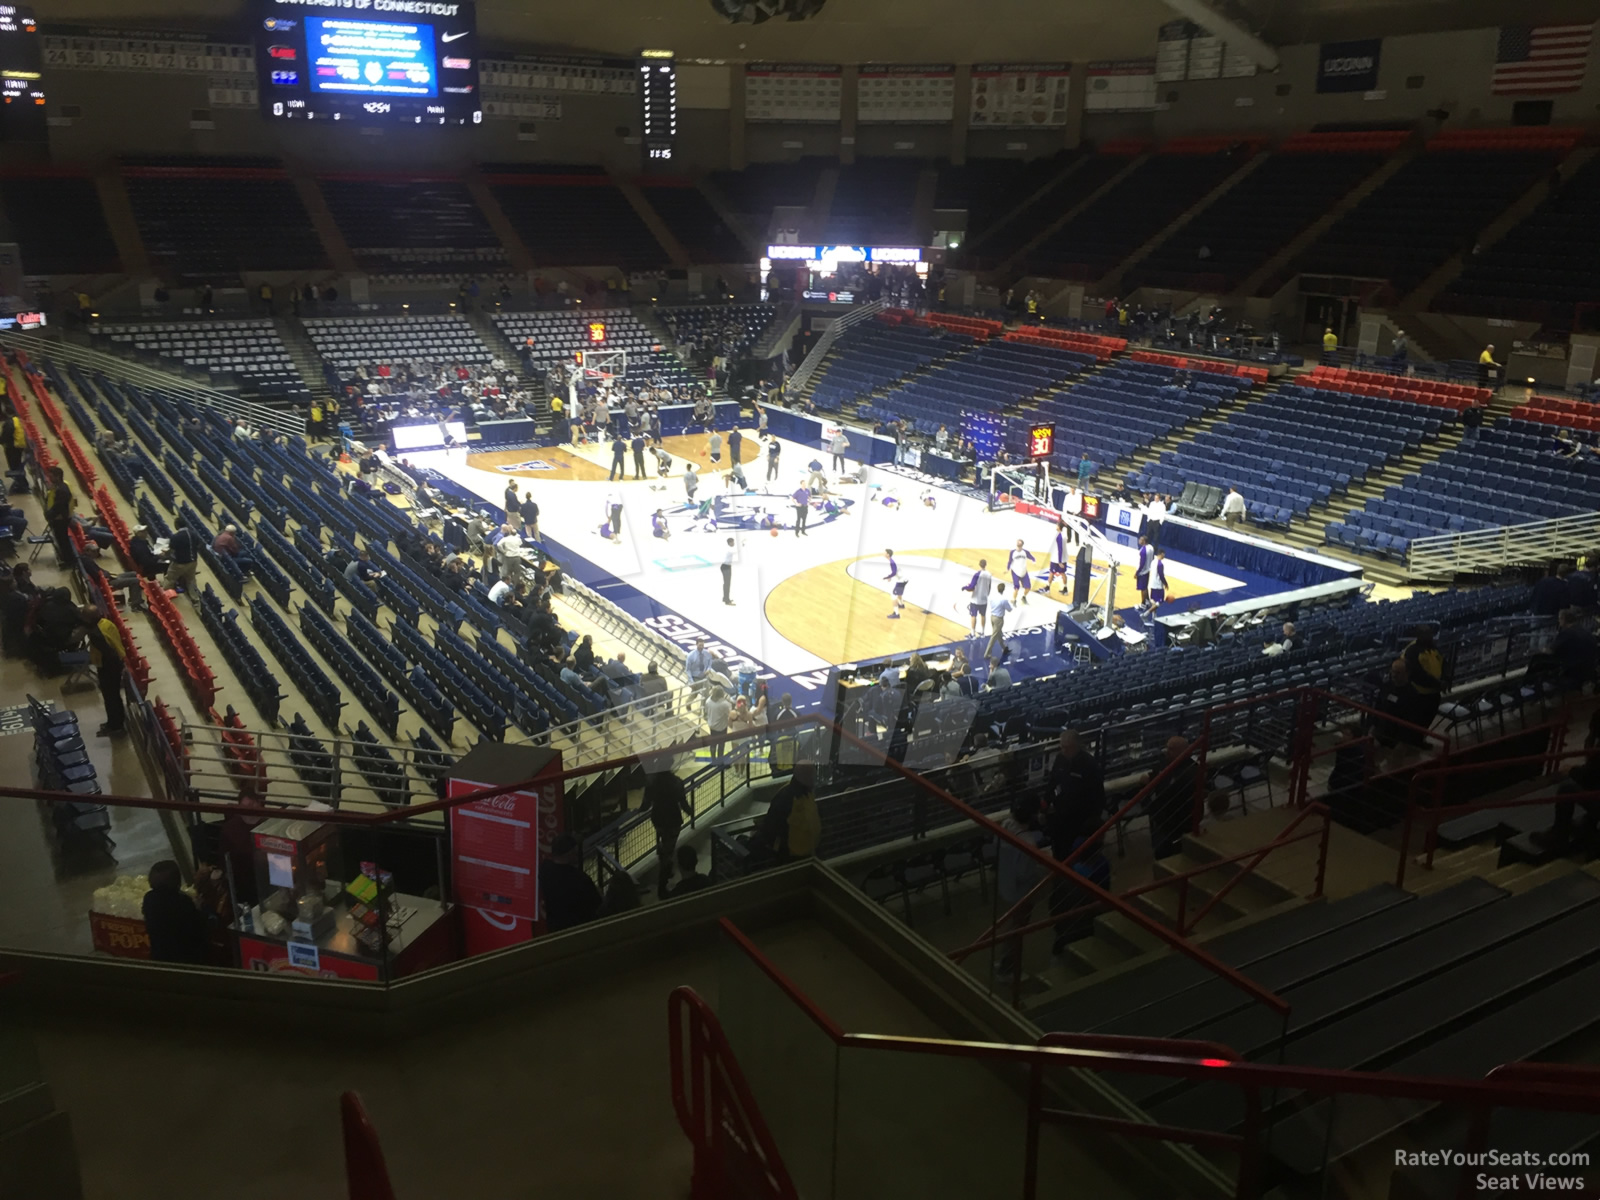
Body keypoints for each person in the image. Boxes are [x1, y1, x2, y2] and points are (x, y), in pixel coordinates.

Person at [996, 795, 1049, 977]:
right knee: (1018, 927)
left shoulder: (1007, 824)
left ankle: (1005, 962)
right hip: (1021, 889)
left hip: (1006, 879)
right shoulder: (1028, 843)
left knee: (1012, 925)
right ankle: (1009, 969)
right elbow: (1025, 873)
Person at [1047, 730, 1105, 860]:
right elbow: (1052, 782)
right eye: (1061, 747)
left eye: (1067, 748)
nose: (1063, 751)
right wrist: (1047, 801)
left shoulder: (1089, 764)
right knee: (1059, 852)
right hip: (1061, 815)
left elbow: (1098, 794)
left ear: (1076, 747)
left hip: (1080, 818)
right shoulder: (1060, 759)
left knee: (1075, 855)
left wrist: (1093, 821)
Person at [142, 860, 209, 964]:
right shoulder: (182, 902)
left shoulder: (149, 899)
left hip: (160, 955)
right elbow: (197, 929)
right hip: (185, 957)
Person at [752, 762, 819, 866]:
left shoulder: (793, 794)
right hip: (798, 854)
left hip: (796, 853)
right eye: (813, 775)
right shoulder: (798, 796)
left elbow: (772, 823)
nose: (815, 778)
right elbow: (774, 824)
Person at [645, 762, 693, 899]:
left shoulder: (652, 784)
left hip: (658, 820)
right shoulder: (677, 782)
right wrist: (691, 812)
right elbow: (683, 803)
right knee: (669, 849)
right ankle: (663, 884)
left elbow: (645, 805)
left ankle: (666, 866)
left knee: (665, 847)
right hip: (673, 820)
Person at [1148, 736, 1201, 859]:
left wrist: (1152, 783)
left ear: (1182, 752)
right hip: (1164, 819)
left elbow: (1166, 794)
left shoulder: (1190, 771)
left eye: (1171, 749)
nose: (1167, 751)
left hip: (1176, 820)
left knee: (1163, 852)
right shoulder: (1167, 762)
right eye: (1167, 748)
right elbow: (1157, 772)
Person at [80, 604, 127, 736]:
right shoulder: (106, 623)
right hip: (115, 663)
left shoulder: (96, 633)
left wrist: (110, 669)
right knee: (114, 697)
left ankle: (116, 727)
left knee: (110, 697)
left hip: (108, 667)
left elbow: (109, 653)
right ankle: (113, 723)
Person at [541, 833, 602, 932]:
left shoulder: (545, 870)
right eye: (575, 852)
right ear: (569, 854)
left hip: (553, 929)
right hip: (577, 930)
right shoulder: (580, 879)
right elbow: (597, 903)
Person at [1402, 625, 1444, 729]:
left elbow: (1443, 663)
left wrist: (1445, 679)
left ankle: (1421, 740)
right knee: (1417, 722)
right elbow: (1416, 674)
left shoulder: (1433, 647)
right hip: (1419, 694)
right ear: (1419, 636)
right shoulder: (1412, 650)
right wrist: (1437, 684)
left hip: (1434, 693)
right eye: (1427, 634)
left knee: (1427, 720)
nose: (1430, 636)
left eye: (1430, 633)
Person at [1553, 608, 1598, 690]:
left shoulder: (1565, 634)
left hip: (1572, 673)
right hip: (1589, 671)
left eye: (1559, 618)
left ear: (1563, 619)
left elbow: (1554, 651)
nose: (1558, 621)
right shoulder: (1587, 632)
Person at [42, 466, 73, 566]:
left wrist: (49, 515)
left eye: (51, 476)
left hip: (60, 519)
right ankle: (65, 558)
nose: (49, 478)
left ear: (58, 477)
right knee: (61, 540)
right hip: (57, 518)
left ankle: (68, 561)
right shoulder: (57, 487)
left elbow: (58, 507)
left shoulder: (62, 490)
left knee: (63, 541)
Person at [164, 516, 199, 593]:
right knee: (191, 581)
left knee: (170, 579)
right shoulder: (193, 534)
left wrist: (165, 553)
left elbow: (171, 551)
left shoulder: (176, 537)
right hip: (193, 561)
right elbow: (197, 545)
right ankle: (196, 600)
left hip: (180, 563)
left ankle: (165, 596)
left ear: (177, 525)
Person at [985, 581, 1013, 667]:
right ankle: (987, 653)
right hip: (999, 619)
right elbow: (1009, 609)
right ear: (1003, 590)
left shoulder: (992, 597)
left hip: (992, 617)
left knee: (998, 634)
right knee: (994, 636)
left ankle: (1004, 648)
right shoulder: (1003, 600)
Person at [963, 559, 993, 635]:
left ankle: (972, 634)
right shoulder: (989, 574)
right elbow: (989, 587)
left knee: (973, 615)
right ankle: (982, 632)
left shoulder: (977, 575)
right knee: (983, 615)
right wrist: (986, 595)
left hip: (976, 599)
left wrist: (965, 587)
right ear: (985, 564)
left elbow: (972, 586)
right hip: (984, 599)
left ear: (979, 564)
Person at [704, 685, 732, 763]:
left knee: (713, 743)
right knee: (721, 744)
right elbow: (730, 713)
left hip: (711, 725)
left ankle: (713, 760)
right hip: (721, 727)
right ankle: (720, 761)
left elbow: (706, 711)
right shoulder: (724, 704)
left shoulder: (708, 700)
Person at [1007, 540, 1035, 605]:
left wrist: (1033, 560)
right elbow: (1010, 561)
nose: (1018, 543)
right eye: (1017, 542)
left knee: (1028, 587)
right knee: (1016, 587)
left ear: (1022, 544)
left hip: (1024, 572)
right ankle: (1013, 600)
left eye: (1020, 542)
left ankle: (1024, 597)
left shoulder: (1025, 552)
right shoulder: (1012, 552)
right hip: (1015, 572)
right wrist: (1007, 569)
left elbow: (1032, 557)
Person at [884, 548, 907, 619]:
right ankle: (901, 605)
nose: (883, 554)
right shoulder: (892, 560)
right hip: (905, 579)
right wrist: (890, 576)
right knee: (899, 593)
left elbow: (894, 572)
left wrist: (888, 577)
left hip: (901, 580)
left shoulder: (892, 561)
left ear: (888, 554)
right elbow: (895, 571)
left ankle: (896, 614)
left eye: (885, 553)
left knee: (893, 596)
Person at [1147, 549, 1169, 615]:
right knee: (1160, 602)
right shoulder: (1160, 564)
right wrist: (1166, 583)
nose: (1164, 556)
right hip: (1158, 586)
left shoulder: (1153, 562)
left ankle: (1154, 617)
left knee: (1153, 601)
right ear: (1161, 554)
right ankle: (1146, 614)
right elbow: (1161, 575)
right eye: (1164, 554)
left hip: (1152, 584)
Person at [1134, 535, 1152, 609]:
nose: (1139, 540)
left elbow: (1142, 563)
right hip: (1148, 570)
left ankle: (1143, 604)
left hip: (1142, 571)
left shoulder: (1143, 551)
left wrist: (1137, 572)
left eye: (1140, 539)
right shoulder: (1151, 547)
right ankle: (1148, 601)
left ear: (1144, 541)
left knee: (1143, 588)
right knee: (1145, 587)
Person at [720, 536, 735, 606]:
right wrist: (742, 544)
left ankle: (725, 598)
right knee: (727, 584)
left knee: (726, 583)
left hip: (726, 566)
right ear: (729, 543)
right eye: (732, 542)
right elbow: (736, 552)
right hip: (726, 567)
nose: (733, 543)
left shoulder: (729, 548)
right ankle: (727, 601)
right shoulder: (729, 549)